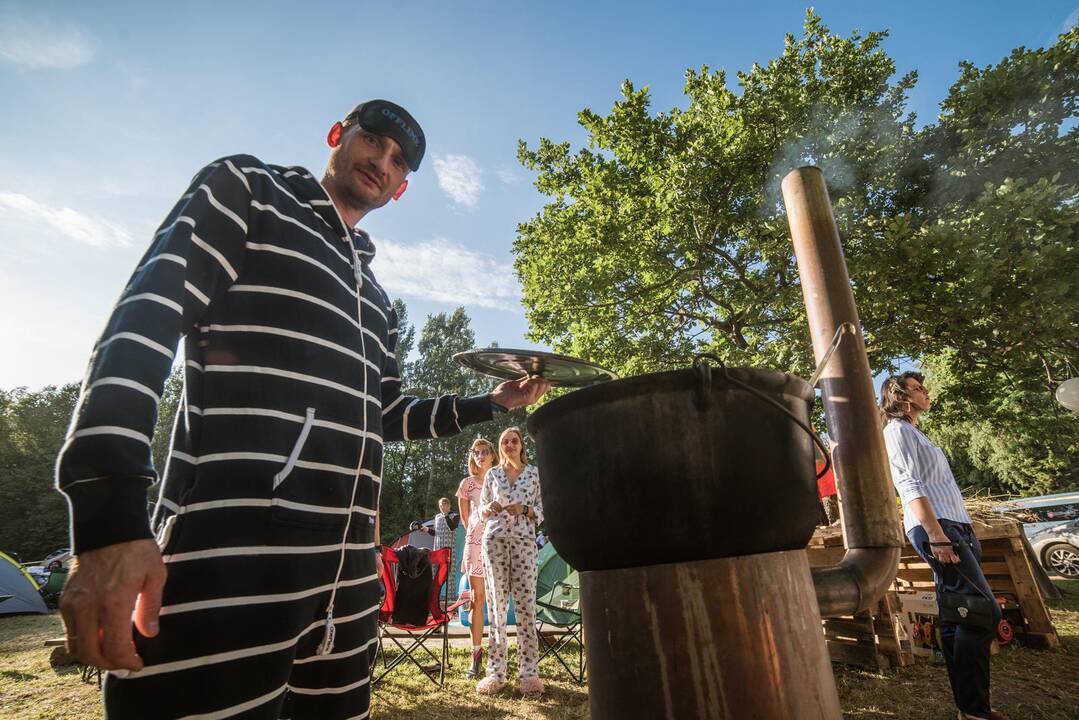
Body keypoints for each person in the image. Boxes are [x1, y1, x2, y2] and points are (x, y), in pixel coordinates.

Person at [54, 99, 550, 720]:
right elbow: (141, 326)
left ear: (399, 192)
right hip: (230, 563)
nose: (383, 161)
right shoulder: (247, 192)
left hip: (348, 586)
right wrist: (109, 519)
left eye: (399, 163)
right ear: (338, 135)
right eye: (374, 140)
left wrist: (490, 402)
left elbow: (386, 412)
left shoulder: (375, 298)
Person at [881, 372, 1009, 720]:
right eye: (918, 389)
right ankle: (974, 708)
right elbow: (908, 484)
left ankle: (970, 708)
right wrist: (936, 533)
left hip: (955, 526)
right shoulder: (897, 432)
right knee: (984, 611)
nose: (926, 392)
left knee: (957, 615)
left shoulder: (916, 433)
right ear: (901, 397)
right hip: (938, 529)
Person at [476, 427, 544, 696]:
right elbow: (480, 510)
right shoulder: (492, 475)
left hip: (525, 545)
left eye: (514, 441)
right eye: (505, 442)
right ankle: (496, 673)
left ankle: (529, 673)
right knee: (497, 609)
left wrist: (525, 509)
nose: (510, 444)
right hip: (494, 543)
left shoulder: (534, 474)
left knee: (526, 608)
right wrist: (487, 508)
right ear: (500, 447)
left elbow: (543, 508)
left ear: (521, 446)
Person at [457, 437, 496, 678]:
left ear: (492, 454)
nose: (479, 456)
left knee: (498, 601)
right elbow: (465, 518)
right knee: (477, 600)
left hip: (498, 543)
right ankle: (476, 657)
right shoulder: (467, 484)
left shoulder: (501, 478)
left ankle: (498, 658)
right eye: (475, 453)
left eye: (484, 451)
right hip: (475, 545)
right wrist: (476, 534)